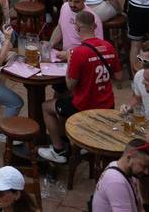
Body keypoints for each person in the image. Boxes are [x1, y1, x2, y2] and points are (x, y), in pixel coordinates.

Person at [38, 10, 122, 164]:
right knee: (62, 101)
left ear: (76, 28)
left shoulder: (78, 52)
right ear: (95, 26)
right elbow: (119, 77)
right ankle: (74, 139)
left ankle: (58, 150)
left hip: (85, 106)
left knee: (46, 107)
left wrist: (70, 61)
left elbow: (70, 85)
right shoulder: (109, 47)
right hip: (108, 104)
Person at [91, 139, 149, 212]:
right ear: (129, 157)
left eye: (148, 167)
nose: (147, 172)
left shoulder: (121, 166)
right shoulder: (116, 181)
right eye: (143, 166)